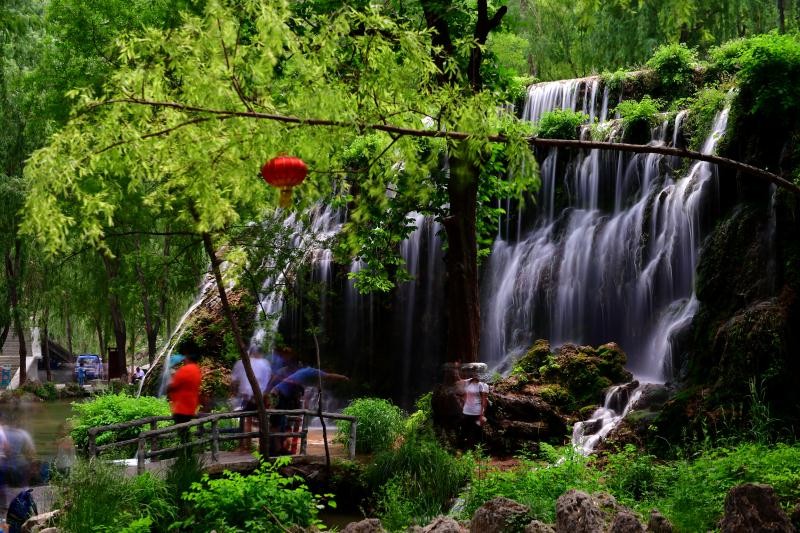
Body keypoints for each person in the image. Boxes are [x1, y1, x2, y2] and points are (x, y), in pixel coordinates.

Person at [230, 347, 272, 451]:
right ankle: (263, 448)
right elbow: (270, 380)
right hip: (260, 396)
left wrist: (234, 392)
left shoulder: (241, 363)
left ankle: (246, 447)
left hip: (246, 396)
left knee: (247, 421)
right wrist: (267, 395)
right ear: (259, 353)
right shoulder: (265, 363)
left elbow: (234, 381)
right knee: (263, 421)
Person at [166, 352, 202, 443]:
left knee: (182, 434)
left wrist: (170, 378)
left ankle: (185, 453)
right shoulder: (197, 370)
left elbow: (173, 386)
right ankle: (188, 452)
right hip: (191, 406)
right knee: (185, 431)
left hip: (181, 407)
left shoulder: (185, 370)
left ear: (188, 358)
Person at [459, 367, 488, 449]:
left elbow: (484, 400)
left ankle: (476, 452)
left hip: (476, 412)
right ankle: (463, 450)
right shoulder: (467, 383)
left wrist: (482, 414)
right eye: (473, 372)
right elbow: (464, 395)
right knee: (464, 431)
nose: (475, 374)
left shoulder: (482, 385)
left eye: (477, 373)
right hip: (466, 411)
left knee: (475, 432)